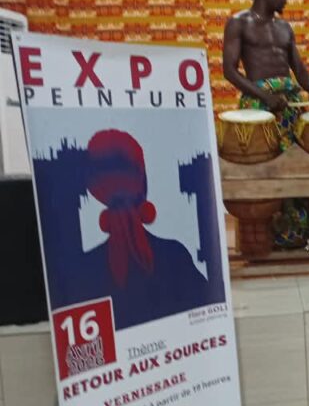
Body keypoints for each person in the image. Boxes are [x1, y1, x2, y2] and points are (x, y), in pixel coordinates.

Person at [61, 131, 212, 330]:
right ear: (142, 180)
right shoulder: (175, 255)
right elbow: (208, 317)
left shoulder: (84, 270)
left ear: (93, 187)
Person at [222, 0, 309, 248]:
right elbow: (230, 71)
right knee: (265, 167)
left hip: (289, 104)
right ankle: (265, 234)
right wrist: (265, 97)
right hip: (259, 106)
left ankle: (296, 234)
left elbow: (298, 67)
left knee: (294, 165)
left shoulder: (285, 28)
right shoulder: (239, 23)